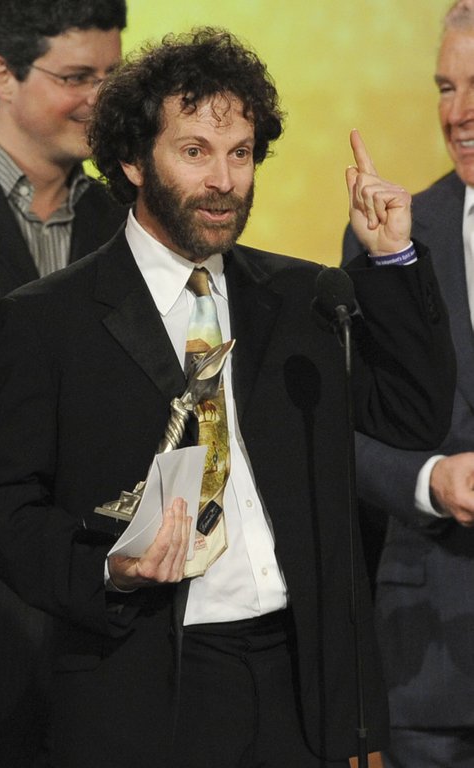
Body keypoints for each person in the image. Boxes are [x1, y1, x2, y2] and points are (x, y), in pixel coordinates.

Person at [0, 27, 455, 768]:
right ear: (133, 160)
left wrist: (392, 260)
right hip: (144, 685)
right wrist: (107, 569)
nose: (224, 179)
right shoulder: (46, 320)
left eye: (240, 153)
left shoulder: (304, 298)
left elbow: (410, 417)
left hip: (300, 685)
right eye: (194, 151)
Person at [0, 1, 127, 766]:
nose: (102, 100)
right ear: (1, 74)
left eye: (113, 77)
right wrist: (46, 445)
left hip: (100, 644)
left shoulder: (130, 223)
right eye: (77, 78)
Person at [341, 2, 474, 765]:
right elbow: (343, 434)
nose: (458, 114)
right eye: (445, 87)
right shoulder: (391, 233)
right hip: (430, 664)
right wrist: (429, 480)